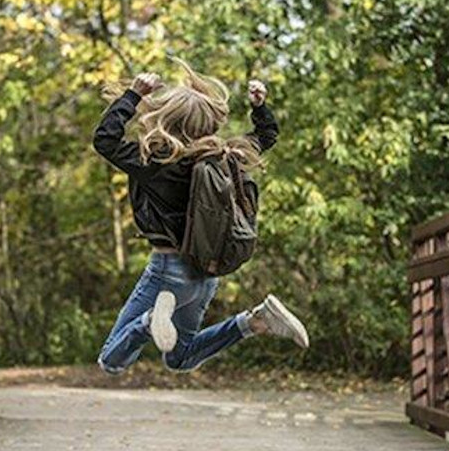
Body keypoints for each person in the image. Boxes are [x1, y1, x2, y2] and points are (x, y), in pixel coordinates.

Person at [93, 59, 309, 374]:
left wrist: (133, 94)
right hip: (205, 275)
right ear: (207, 123)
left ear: (166, 118)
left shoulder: (154, 161)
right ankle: (255, 321)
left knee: (111, 360)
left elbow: (105, 140)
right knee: (180, 359)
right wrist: (259, 107)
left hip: (168, 271)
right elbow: (267, 135)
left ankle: (150, 320)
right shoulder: (227, 158)